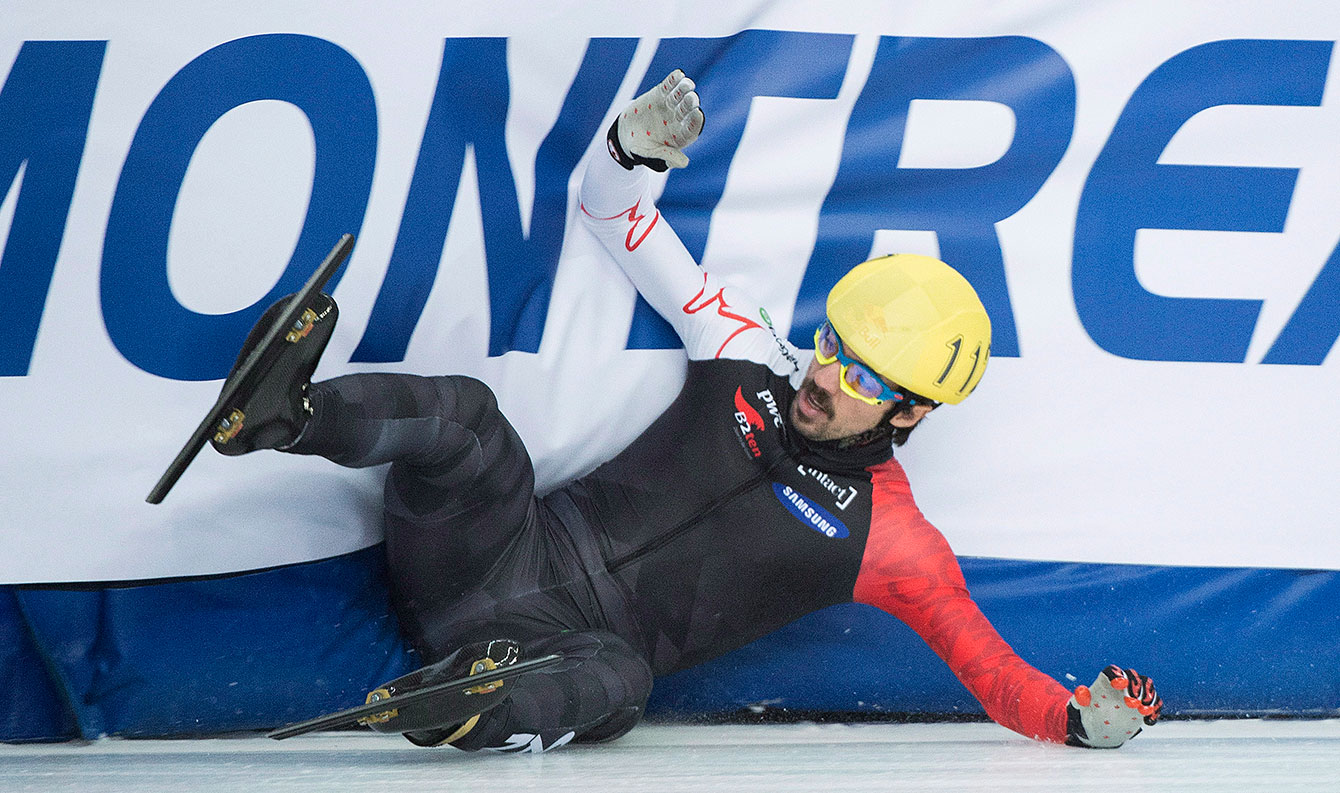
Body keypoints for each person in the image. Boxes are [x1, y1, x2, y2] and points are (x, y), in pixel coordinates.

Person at [212, 70, 1160, 753]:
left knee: (624, 687)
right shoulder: (746, 345)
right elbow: (612, 208)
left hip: (555, 656)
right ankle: (282, 416)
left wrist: (1078, 720)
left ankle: (463, 705)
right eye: (833, 344)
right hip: (493, 546)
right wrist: (636, 149)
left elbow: (990, 670)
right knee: (472, 424)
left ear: (908, 415)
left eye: (865, 379)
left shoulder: (895, 542)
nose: (825, 376)